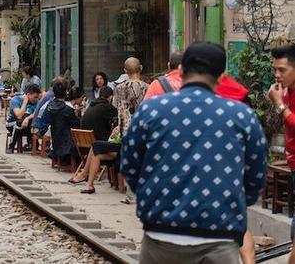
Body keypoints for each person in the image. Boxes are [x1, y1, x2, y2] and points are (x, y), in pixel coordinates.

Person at [122, 42, 267, 264]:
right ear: (221, 77)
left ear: (180, 71)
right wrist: (230, 203)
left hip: (161, 232)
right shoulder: (242, 116)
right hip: (219, 234)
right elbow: (256, 176)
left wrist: (151, 197)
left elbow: (130, 165)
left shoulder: (151, 110)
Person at [268, 44, 295, 264]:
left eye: (282, 70)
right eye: (275, 69)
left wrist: (279, 105)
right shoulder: (286, 91)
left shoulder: (283, 96)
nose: (277, 75)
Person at [67, 87, 118, 194]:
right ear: (110, 97)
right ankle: (85, 177)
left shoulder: (92, 105)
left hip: (85, 142)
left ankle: (84, 175)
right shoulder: (107, 107)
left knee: (96, 146)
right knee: (97, 146)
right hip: (96, 139)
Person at [47, 81, 81, 166]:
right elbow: (77, 123)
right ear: (66, 92)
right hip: (67, 144)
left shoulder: (50, 106)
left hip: (55, 141)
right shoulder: (67, 109)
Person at [112, 57, 149, 135]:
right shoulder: (148, 88)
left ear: (125, 71)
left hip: (125, 132)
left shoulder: (118, 88)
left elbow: (115, 106)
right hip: (143, 131)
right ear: (141, 68)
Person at [6, 83, 41, 154]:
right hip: (12, 123)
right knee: (19, 122)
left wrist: (27, 118)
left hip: (27, 125)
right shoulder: (15, 100)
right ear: (28, 95)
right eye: (35, 97)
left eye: (37, 97)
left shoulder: (36, 102)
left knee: (33, 122)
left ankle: (32, 144)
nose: (36, 99)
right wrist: (25, 102)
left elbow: (37, 113)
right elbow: (19, 115)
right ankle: (11, 146)